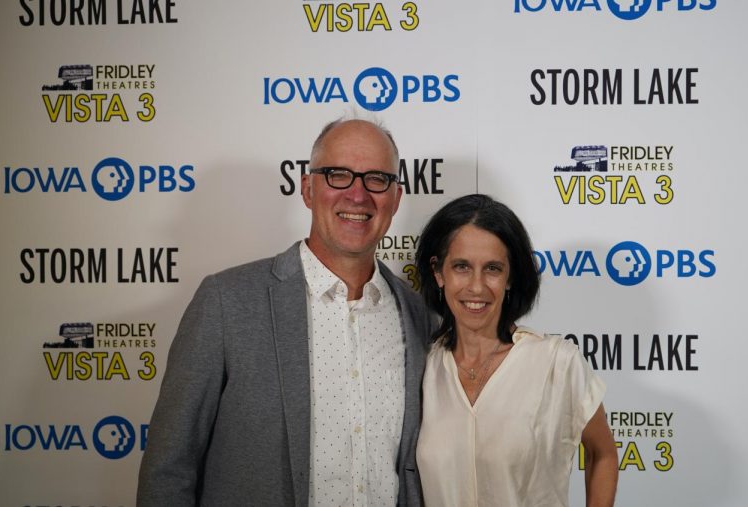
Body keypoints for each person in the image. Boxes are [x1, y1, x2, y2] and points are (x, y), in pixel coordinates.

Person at [137, 118, 433, 506]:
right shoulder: (227, 303)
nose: (358, 195)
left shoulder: (419, 315)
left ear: (395, 198)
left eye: (376, 178)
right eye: (337, 175)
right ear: (308, 189)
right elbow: (168, 469)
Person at [414, 194, 618, 507]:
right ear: (439, 273)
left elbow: (603, 454)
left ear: (510, 277)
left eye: (493, 268)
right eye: (461, 267)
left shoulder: (557, 362)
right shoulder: (422, 367)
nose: (477, 287)